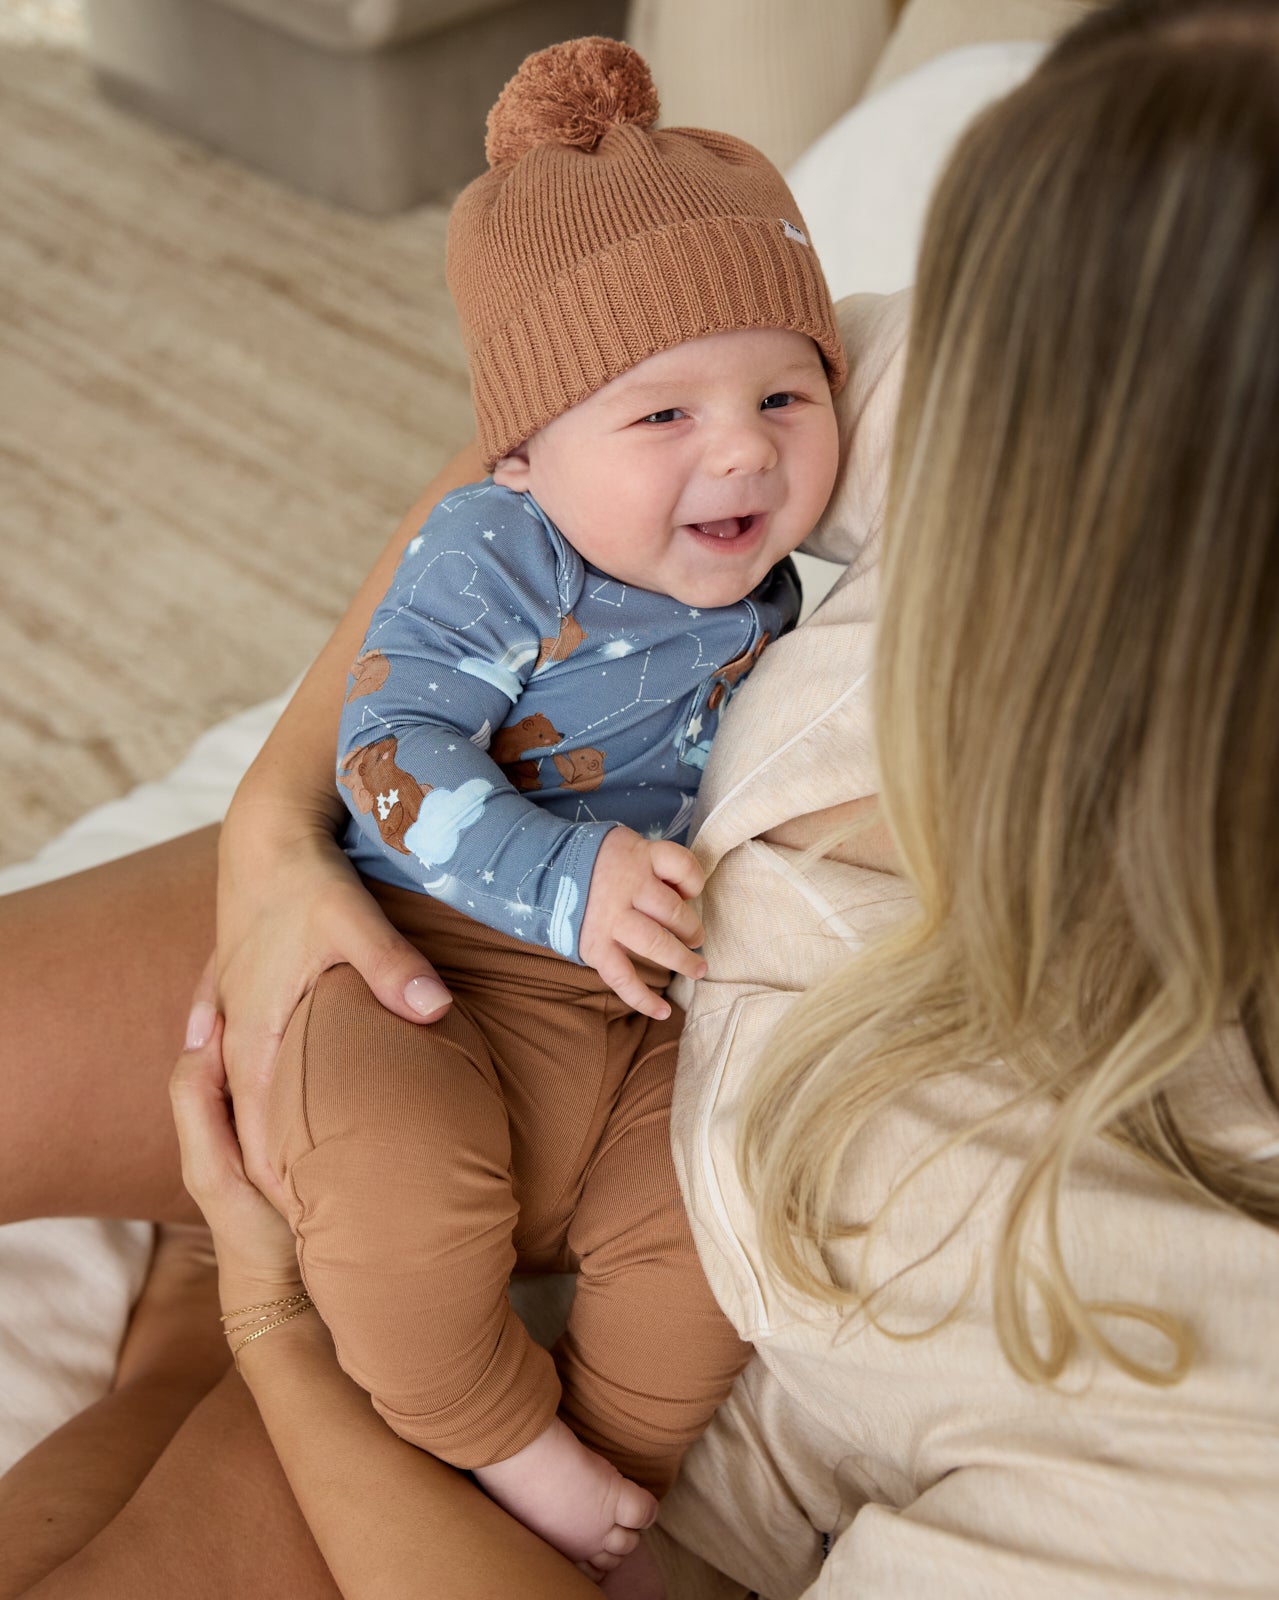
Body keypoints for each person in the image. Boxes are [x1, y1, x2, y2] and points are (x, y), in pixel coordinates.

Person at [2, 0, 1277, 1596]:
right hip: (452, 921)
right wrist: (275, 834)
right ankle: (175, 1355)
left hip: (635, 1145)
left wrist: (275, 1330)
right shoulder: (1005, 370)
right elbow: (555, 436)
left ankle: (191, 1347)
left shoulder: (1208, 1380)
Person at [261, 34, 844, 1577]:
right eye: (663, 416)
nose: (743, 446)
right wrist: (560, 874)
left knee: (719, 1234)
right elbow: (387, 753)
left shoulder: (778, 599)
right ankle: (496, 1436)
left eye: (788, 391)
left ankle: (618, 1455)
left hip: (641, 1010)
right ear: (524, 450)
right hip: (435, 966)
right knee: (388, 1195)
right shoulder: (497, 552)